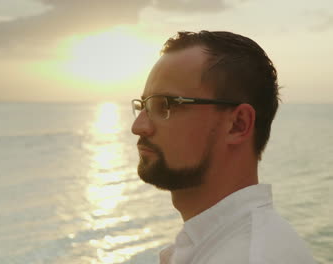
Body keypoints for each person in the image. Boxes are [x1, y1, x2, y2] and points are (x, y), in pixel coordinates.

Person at [131, 31, 316, 264]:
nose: (138, 127)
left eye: (164, 105)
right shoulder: (216, 244)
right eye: (143, 106)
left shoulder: (251, 257)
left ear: (238, 125)